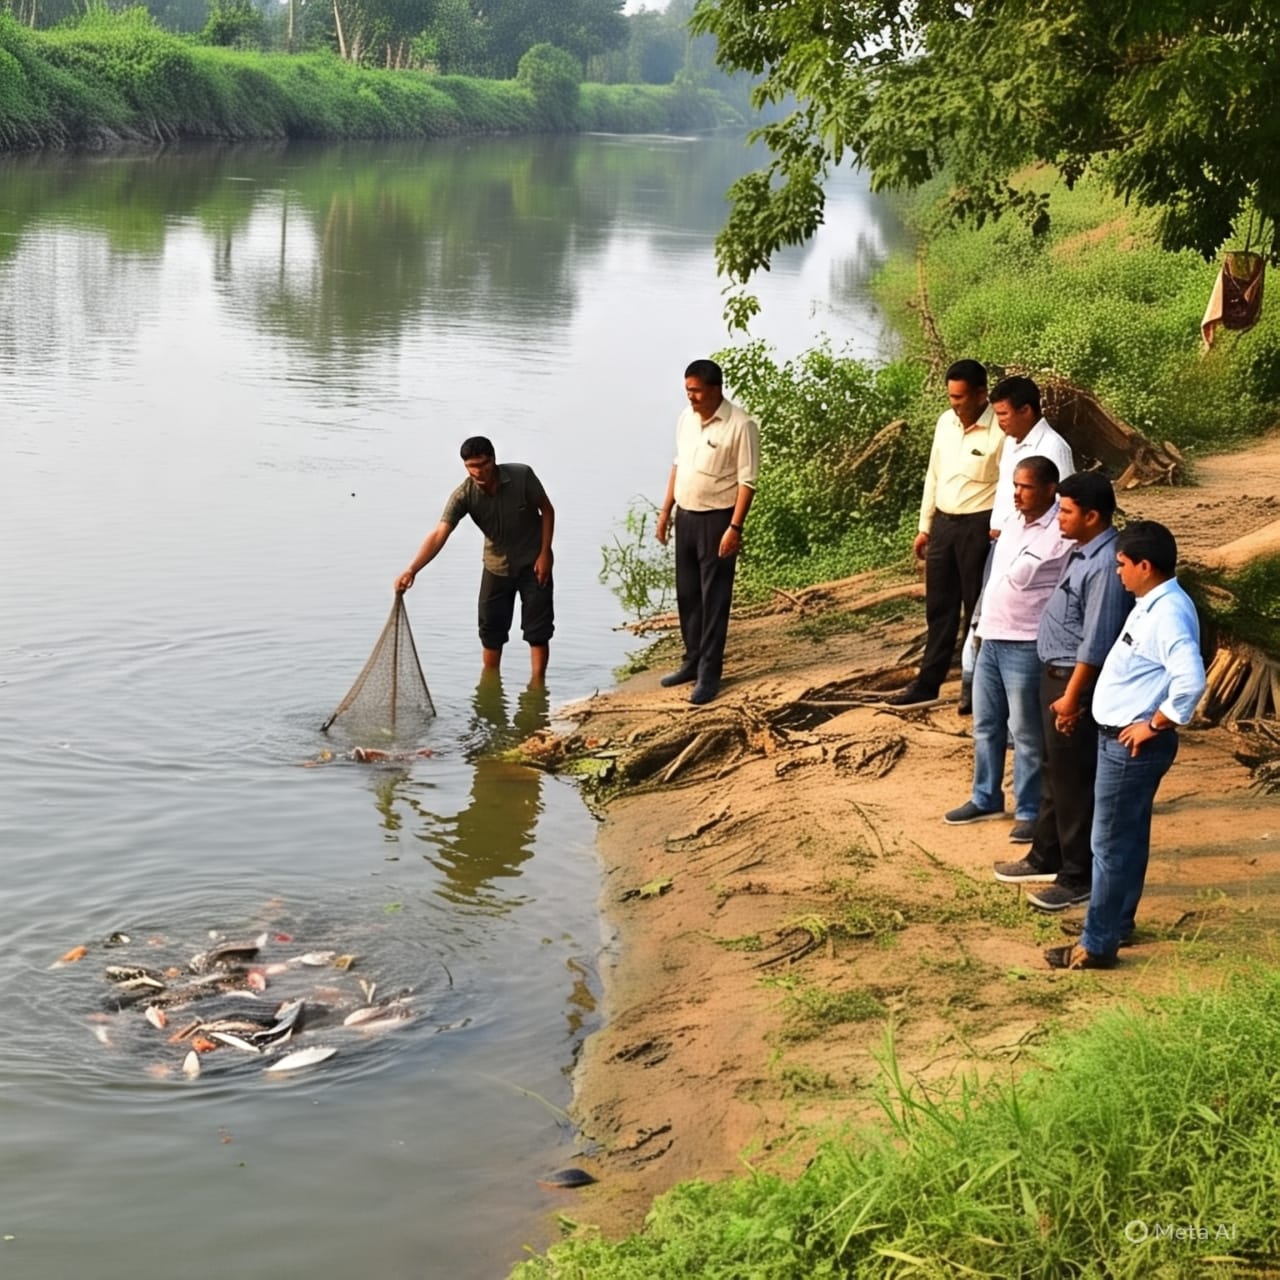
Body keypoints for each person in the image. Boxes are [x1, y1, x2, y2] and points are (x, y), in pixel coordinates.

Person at [1045, 520, 1206, 970]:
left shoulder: (1168, 611)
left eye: (1121, 565)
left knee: (1109, 844)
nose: (1117, 572)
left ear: (1145, 565)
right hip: (1119, 737)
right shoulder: (1153, 601)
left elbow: (1191, 680)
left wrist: (1155, 722)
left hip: (1131, 745)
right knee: (1126, 838)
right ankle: (1114, 923)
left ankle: (1096, 944)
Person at [992, 472, 1132, 908]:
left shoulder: (1107, 565)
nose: (1059, 521)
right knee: (1055, 771)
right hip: (1055, 673)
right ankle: (1045, 854)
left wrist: (1073, 696)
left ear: (1092, 516)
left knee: (1074, 781)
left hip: (1075, 681)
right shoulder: (1081, 552)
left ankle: (1077, 876)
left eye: (1067, 512)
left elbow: (1097, 638)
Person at [943, 457, 1074, 840]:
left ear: (1051, 488)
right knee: (985, 723)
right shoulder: (1013, 525)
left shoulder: (1059, 530)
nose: (1017, 494)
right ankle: (985, 796)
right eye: (1015, 486)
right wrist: (977, 628)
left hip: (1025, 642)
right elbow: (995, 579)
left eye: (1026, 487)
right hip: (992, 637)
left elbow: (1035, 580)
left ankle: (1030, 809)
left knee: (1025, 730)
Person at [888, 359, 1004, 708]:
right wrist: (925, 527)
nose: (954, 403)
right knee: (940, 608)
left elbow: (1008, 484)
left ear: (981, 395)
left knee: (976, 609)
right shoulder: (945, 423)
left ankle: (975, 686)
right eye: (950, 396)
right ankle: (928, 683)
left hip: (978, 526)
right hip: (943, 524)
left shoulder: (1000, 431)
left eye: (960, 397)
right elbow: (933, 475)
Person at [396, 437, 554, 682]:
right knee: (491, 632)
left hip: (534, 563)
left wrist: (545, 553)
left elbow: (547, 510)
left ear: (493, 459)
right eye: (472, 466)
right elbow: (440, 533)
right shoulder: (464, 495)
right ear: (465, 466)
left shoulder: (522, 476)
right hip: (496, 567)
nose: (479, 472)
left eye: (483, 464)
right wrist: (412, 570)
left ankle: (537, 683)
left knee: (538, 631)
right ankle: (491, 684)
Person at [655, 358, 760, 706]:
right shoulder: (686, 419)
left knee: (713, 598)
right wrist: (665, 511)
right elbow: (677, 465)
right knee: (687, 595)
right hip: (686, 515)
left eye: (697, 390)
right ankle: (691, 660)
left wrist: (735, 527)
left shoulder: (740, 425)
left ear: (715, 389)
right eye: (688, 390)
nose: (692, 397)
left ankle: (709, 675)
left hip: (718, 520)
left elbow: (747, 482)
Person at [988, 375, 1075, 534]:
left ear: (1025, 411)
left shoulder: (1053, 446)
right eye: (997, 415)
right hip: (1002, 540)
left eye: (1003, 414)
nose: (999, 421)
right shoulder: (1009, 442)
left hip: (1032, 542)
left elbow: (1062, 504)